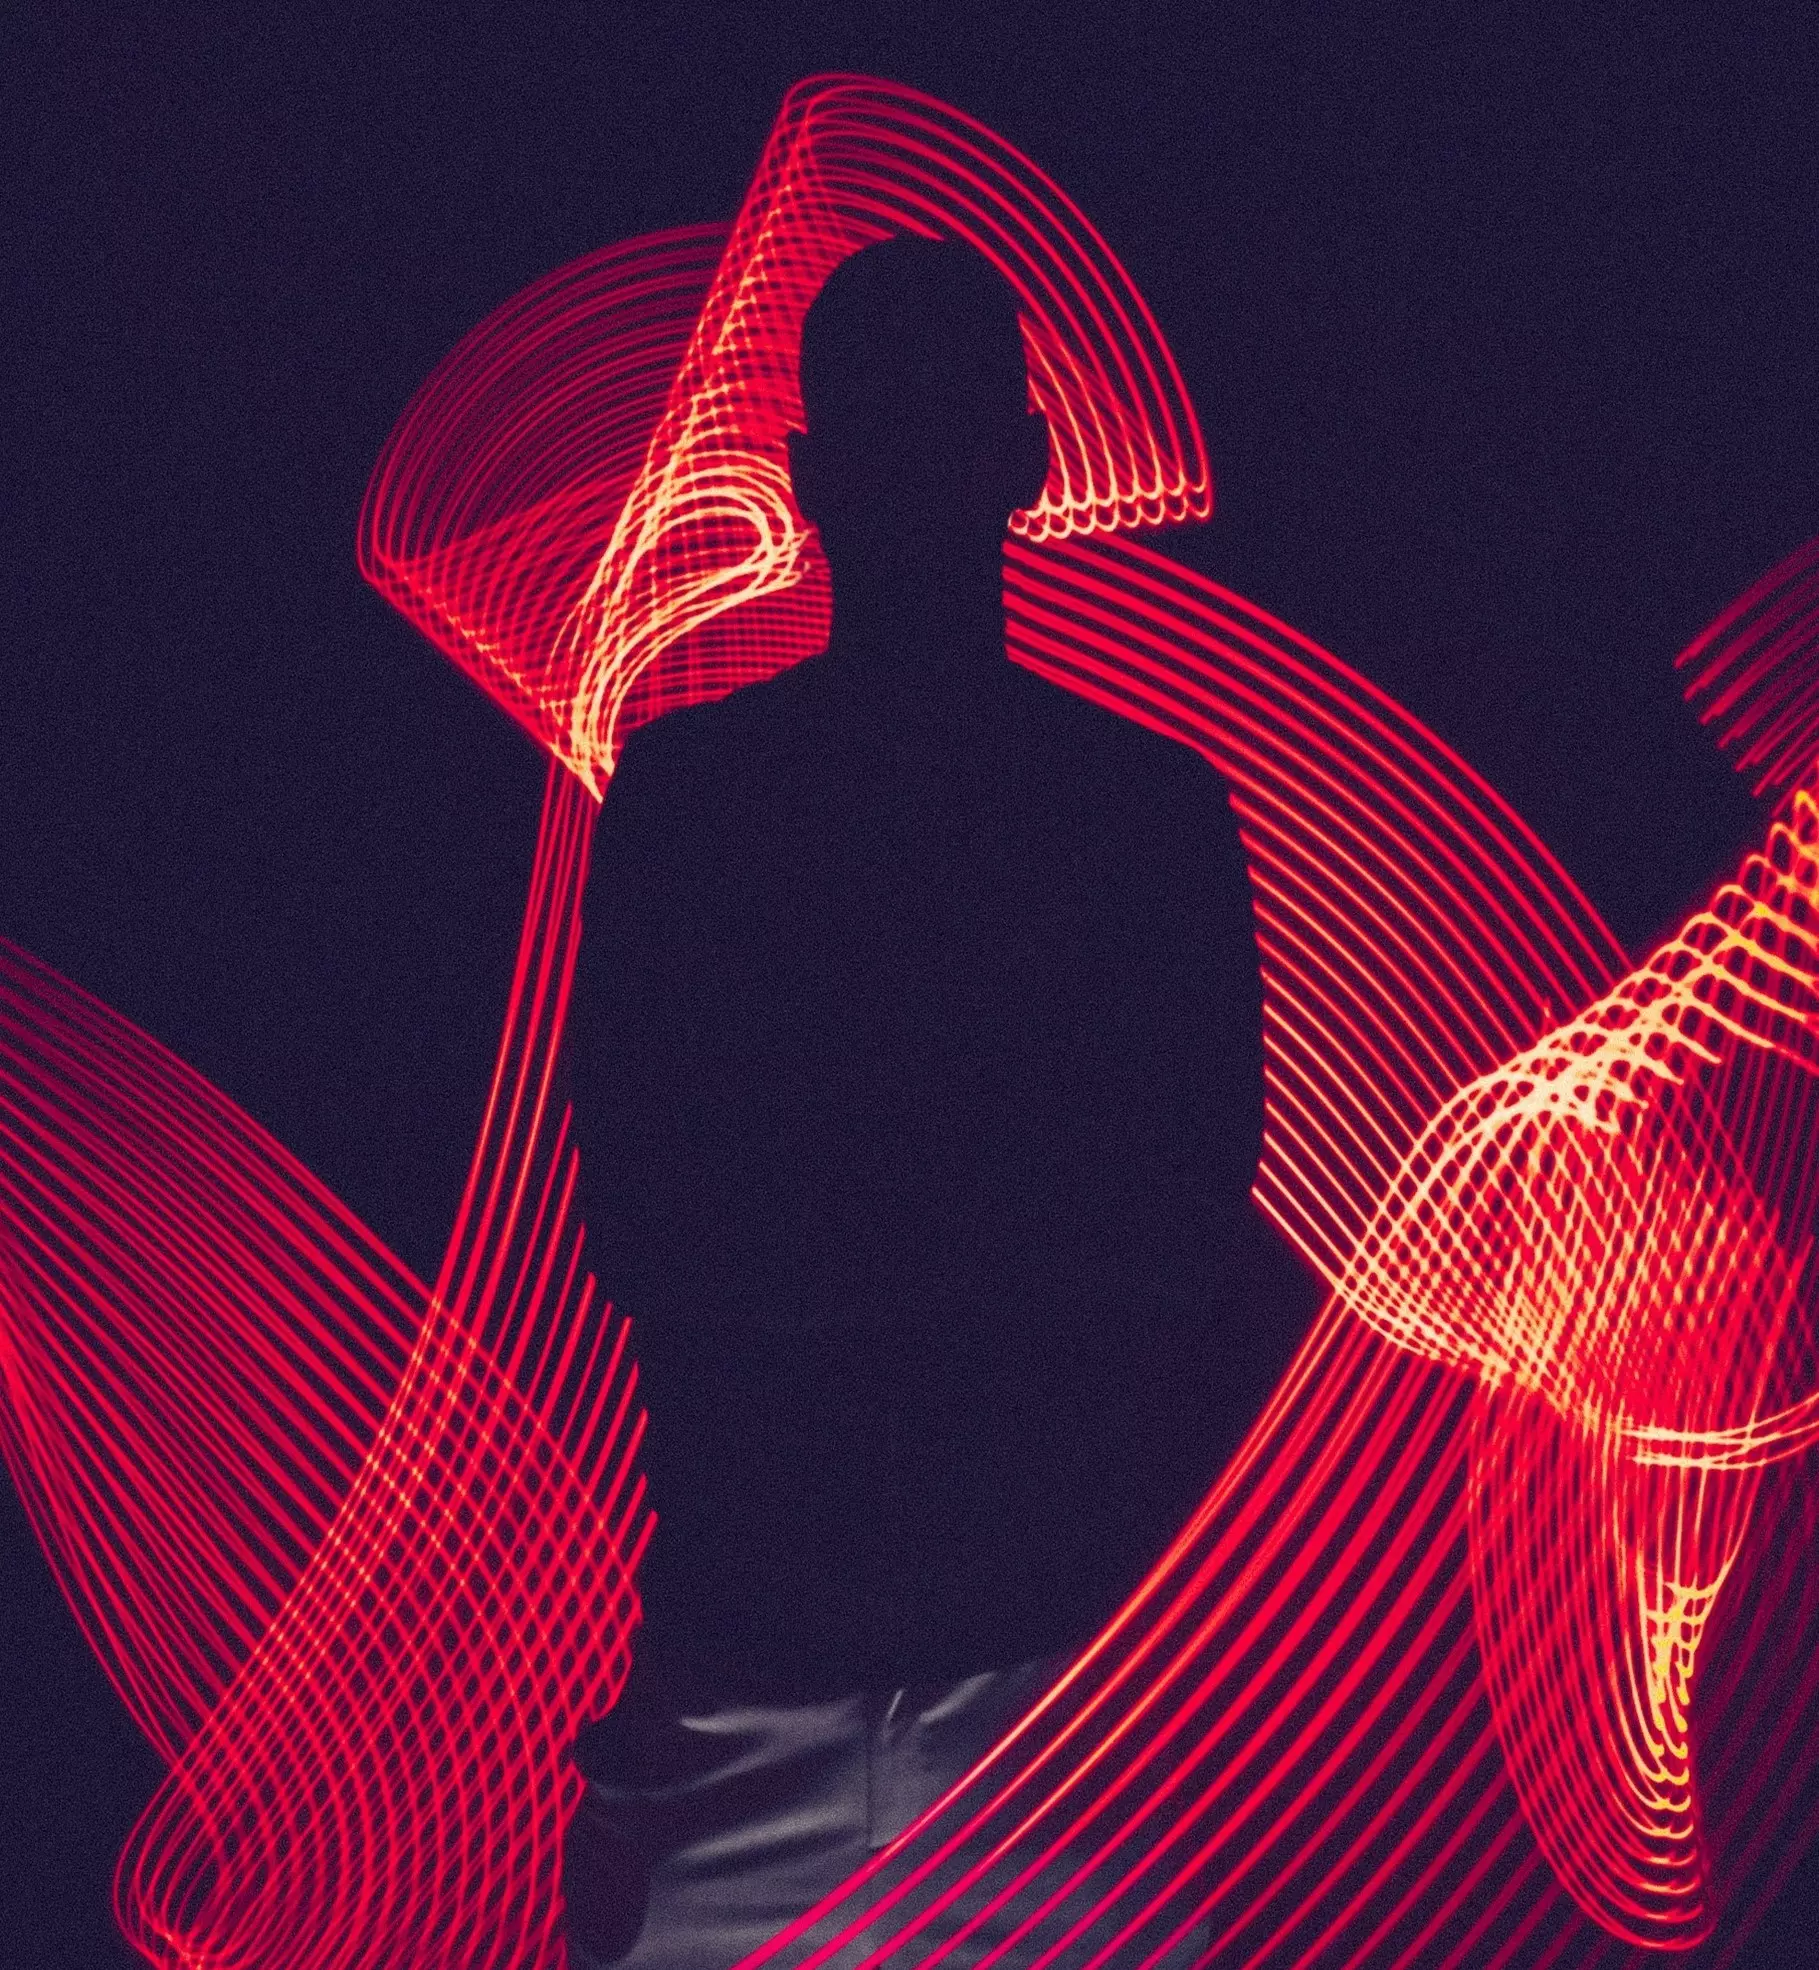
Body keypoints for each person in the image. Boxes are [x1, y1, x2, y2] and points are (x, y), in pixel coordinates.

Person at [561, 236, 1291, 1967]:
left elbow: (650, 1223)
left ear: (808, 482)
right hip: (1010, 1668)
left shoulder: (694, 806)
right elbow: (1178, 1244)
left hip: (826, 1666)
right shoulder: (1145, 821)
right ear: (1028, 463)